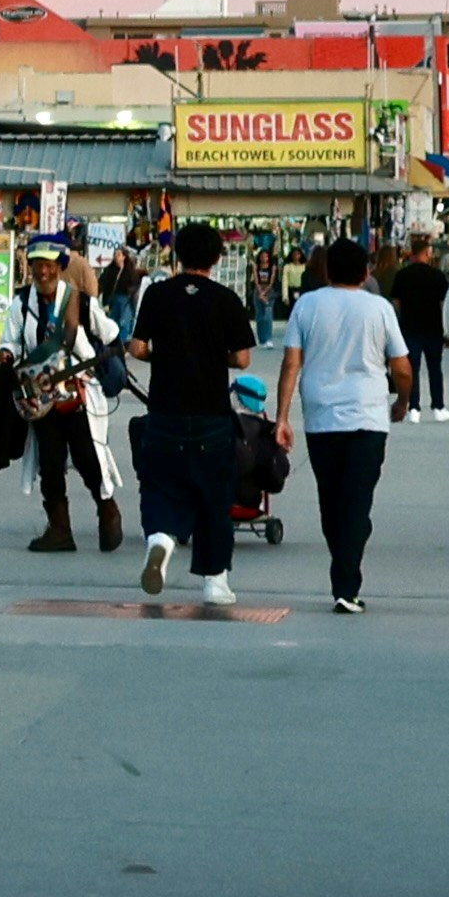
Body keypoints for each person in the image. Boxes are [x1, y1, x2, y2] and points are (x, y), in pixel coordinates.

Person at [122, 221, 259, 609]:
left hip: (164, 410)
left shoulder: (159, 295)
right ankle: (215, 581)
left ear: (177, 256)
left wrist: (159, 355)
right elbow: (243, 359)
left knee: (160, 483)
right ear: (217, 258)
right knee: (214, 496)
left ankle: (161, 541)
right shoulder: (226, 299)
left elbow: (137, 347)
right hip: (211, 414)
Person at [273, 233, 410, 616]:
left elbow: (291, 364)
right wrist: (403, 399)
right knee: (356, 502)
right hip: (368, 415)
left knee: (332, 501)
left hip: (321, 417)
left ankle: (345, 581)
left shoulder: (307, 306)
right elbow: (401, 365)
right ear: (366, 272)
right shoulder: (379, 308)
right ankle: (347, 578)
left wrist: (282, 417)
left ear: (327, 270)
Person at [4, 239, 125, 555]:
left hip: (76, 392)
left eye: (48, 265)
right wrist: (6, 355)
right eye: (37, 265)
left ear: (59, 267)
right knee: (50, 462)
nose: (43, 271)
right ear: (30, 268)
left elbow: (110, 334)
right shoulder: (21, 304)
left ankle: (107, 509)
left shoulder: (80, 302)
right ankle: (59, 529)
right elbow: (12, 341)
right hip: (40, 399)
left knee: (88, 457)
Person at [385, 230, 449, 422]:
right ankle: (438, 406)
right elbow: (444, 306)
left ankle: (413, 407)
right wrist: (448, 330)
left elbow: (396, 302)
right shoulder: (437, 276)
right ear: (426, 253)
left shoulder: (402, 275)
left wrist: (401, 320)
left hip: (410, 328)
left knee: (412, 369)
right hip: (433, 329)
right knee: (435, 368)